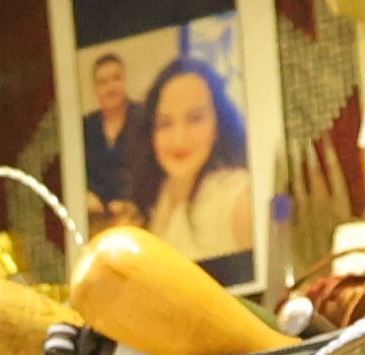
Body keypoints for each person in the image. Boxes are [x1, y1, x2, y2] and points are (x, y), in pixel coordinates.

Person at [134, 55, 256, 270]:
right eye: (164, 123)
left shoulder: (240, 201)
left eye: (195, 119)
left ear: (218, 124)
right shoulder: (156, 194)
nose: (178, 139)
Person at [77, 49, 139, 226]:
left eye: (116, 78)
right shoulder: (86, 126)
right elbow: (80, 173)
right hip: (97, 217)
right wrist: (85, 195)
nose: (110, 87)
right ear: (95, 89)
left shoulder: (143, 119)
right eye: (103, 82)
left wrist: (131, 203)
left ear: (124, 80)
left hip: (136, 215)